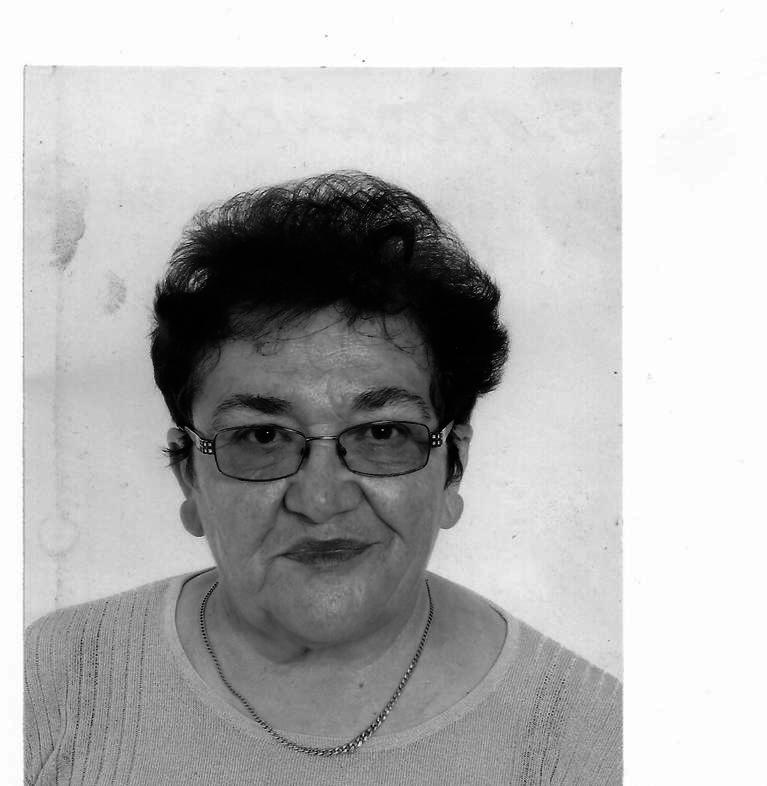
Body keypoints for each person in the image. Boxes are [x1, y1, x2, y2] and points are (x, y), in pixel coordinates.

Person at [24, 171, 621, 784]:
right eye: (262, 437)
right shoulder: (46, 684)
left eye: (381, 433)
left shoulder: (593, 740)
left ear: (453, 469)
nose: (320, 498)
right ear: (189, 478)